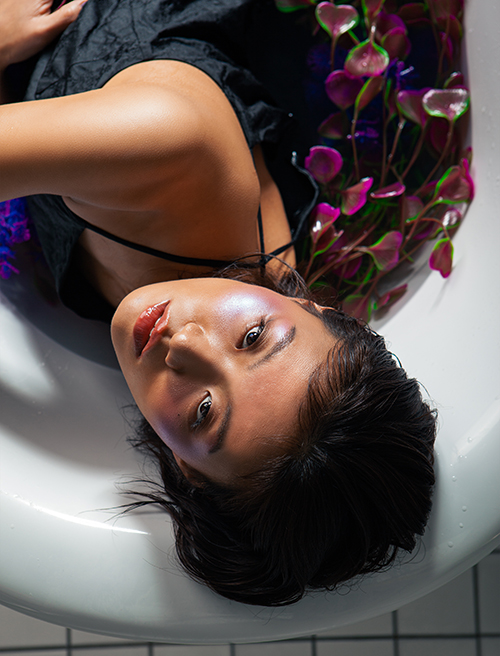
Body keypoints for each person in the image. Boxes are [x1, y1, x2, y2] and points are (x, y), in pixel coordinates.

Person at [0, 0, 437, 606]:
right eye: (253, 338)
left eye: (204, 412)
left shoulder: (256, 318)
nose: (183, 343)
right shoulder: (171, 145)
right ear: (323, 311)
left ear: (189, 473)